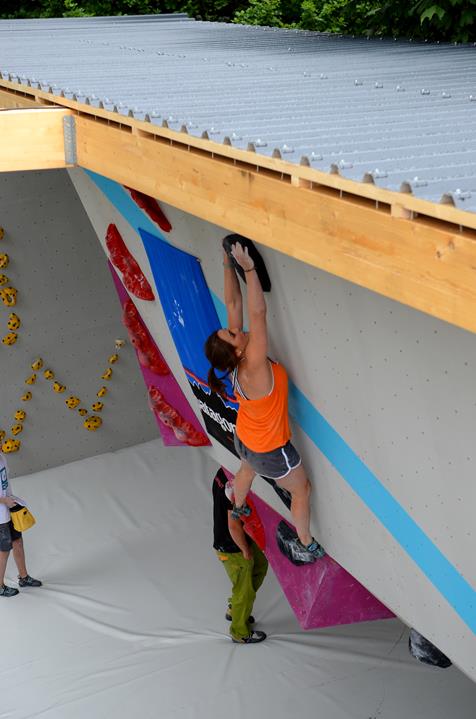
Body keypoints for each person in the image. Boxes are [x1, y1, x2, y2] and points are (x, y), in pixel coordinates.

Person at [205, 242, 324, 560]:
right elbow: (258, 313)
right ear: (237, 350)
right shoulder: (254, 364)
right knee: (302, 489)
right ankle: (306, 544)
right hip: (271, 450)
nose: (234, 329)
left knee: (247, 468)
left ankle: (238, 506)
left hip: (246, 437)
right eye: (231, 335)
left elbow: (233, 301)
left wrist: (228, 263)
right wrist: (249, 268)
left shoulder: (235, 361)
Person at [213, 467, 268, 644]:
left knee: (260, 566)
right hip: (233, 547)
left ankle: (234, 608)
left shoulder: (221, 472)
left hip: (240, 539)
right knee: (244, 592)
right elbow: (234, 526)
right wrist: (245, 550)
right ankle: (239, 632)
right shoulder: (233, 486)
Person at [0, 452, 42, 597]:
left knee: (17, 541)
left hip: (10, 509)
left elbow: (5, 483)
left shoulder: (2, 458)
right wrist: (4, 501)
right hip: (0, 516)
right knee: (4, 550)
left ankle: (24, 578)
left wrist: (11, 500)